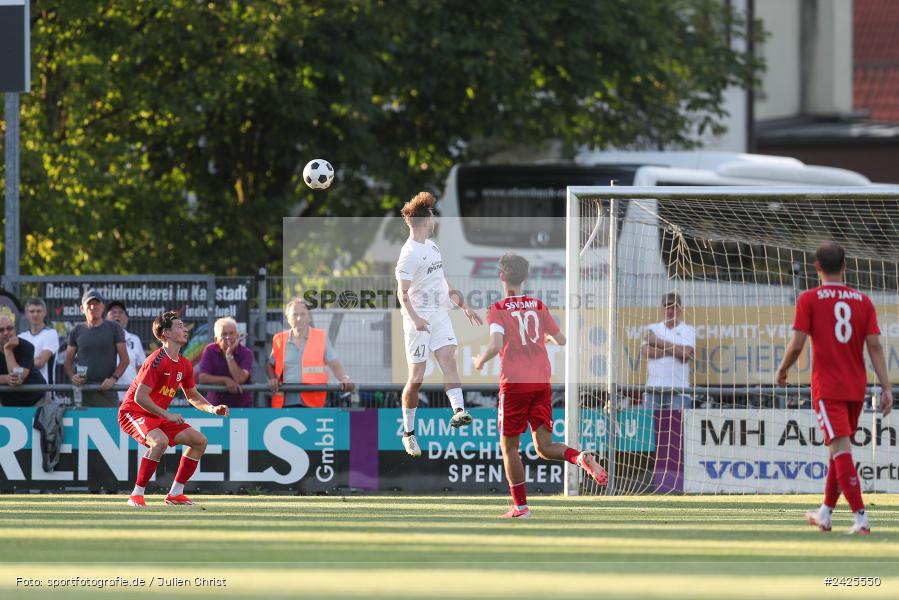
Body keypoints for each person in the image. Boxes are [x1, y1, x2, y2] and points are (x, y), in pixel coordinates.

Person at [473, 253, 607, 519]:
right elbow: (562, 340)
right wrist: (544, 339)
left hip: (514, 386)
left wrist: (480, 360)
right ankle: (579, 457)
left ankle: (521, 508)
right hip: (541, 384)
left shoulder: (498, 309)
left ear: (501, 275)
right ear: (525, 277)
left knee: (510, 448)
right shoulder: (538, 305)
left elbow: (497, 345)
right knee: (543, 447)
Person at [776, 242, 893, 535]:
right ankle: (825, 513)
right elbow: (875, 347)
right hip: (856, 387)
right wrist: (887, 388)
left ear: (817, 268)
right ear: (845, 267)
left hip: (828, 388)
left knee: (840, 450)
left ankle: (861, 519)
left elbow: (798, 343)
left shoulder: (809, 299)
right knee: (836, 451)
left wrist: (782, 369)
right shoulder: (862, 301)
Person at [395, 191, 482, 457]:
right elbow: (402, 293)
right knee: (417, 378)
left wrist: (463, 306)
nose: (434, 220)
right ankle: (409, 433)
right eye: (431, 216)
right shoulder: (409, 253)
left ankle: (459, 411)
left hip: (439, 314)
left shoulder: (433, 247)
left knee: (448, 360)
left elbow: (443, 283)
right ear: (424, 221)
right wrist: (416, 318)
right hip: (417, 321)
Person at [118, 311, 229, 507]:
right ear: (166, 334)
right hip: (134, 412)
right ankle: (136, 494)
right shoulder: (156, 360)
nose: (185, 329)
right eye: (179, 326)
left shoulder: (184, 364)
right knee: (159, 442)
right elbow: (139, 397)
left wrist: (212, 409)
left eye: (183, 325)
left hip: (158, 414)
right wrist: (167, 414)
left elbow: (193, 396)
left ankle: (175, 494)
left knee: (199, 441)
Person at [267, 299, 355, 408]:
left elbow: (334, 363)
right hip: (285, 403)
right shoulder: (279, 339)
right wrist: (272, 379)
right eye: (295, 315)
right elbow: (270, 364)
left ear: (308, 317)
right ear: (288, 318)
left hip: (313, 403)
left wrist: (344, 378)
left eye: (303, 314)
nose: (299, 318)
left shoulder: (320, 337)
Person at [64, 290, 130, 407]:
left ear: (103, 307)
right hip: (83, 391)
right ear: (82, 309)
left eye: (97, 303)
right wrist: (72, 376)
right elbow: (68, 361)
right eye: (89, 304)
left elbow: (125, 360)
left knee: (111, 424)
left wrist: (113, 379)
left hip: (108, 390)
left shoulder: (114, 328)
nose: (93, 307)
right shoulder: (76, 330)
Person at [640, 292, 695, 410]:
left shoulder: (688, 330)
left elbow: (685, 354)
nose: (670, 311)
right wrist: (676, 350)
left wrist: (658, 342)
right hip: (653, 390)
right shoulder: (652, 328)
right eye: (667, 307)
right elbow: (648, 352)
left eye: (674, 307)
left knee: (678, 428)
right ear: (662, 309)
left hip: (679, 391)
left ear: (680, 310)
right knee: (650, 428)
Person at [197, 316, 253, 408]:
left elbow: (240, 379)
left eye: (232, 333)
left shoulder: (246, 353)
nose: (228, 337)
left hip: (242, 409)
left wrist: (229, 355)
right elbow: (202, 378)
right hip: (216, 408)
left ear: (237, 336)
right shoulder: (210, 350)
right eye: (224, 334)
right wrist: (225, 380)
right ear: (216, 339)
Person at [0, 314, 47, 407]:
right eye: (1, 330)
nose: (6, 333)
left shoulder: (26, 346)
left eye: (9, 328)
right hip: (8, 404)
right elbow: (11, 378)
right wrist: (6, 378)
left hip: (36, 400)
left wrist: (7, 350)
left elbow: (17, 379)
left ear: (15, 330)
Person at [106, 301, 146, 402]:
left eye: (120, 312)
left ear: (126, 319)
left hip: (130, 398)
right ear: (106, 318)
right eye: (113, 312)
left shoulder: (134, 339)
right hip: (107, 397)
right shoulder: (100, 339)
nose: (117, 315)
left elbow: (141, 368)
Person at [18, 297, 60, 389]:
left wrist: (21, 366)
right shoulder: (21, 337)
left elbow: (40, 362)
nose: (35, 314)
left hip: (45, 391)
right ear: (26, 314)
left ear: (45, 313)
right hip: (23, 390)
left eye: (39, 311)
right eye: (32, 311)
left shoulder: (51, 333)